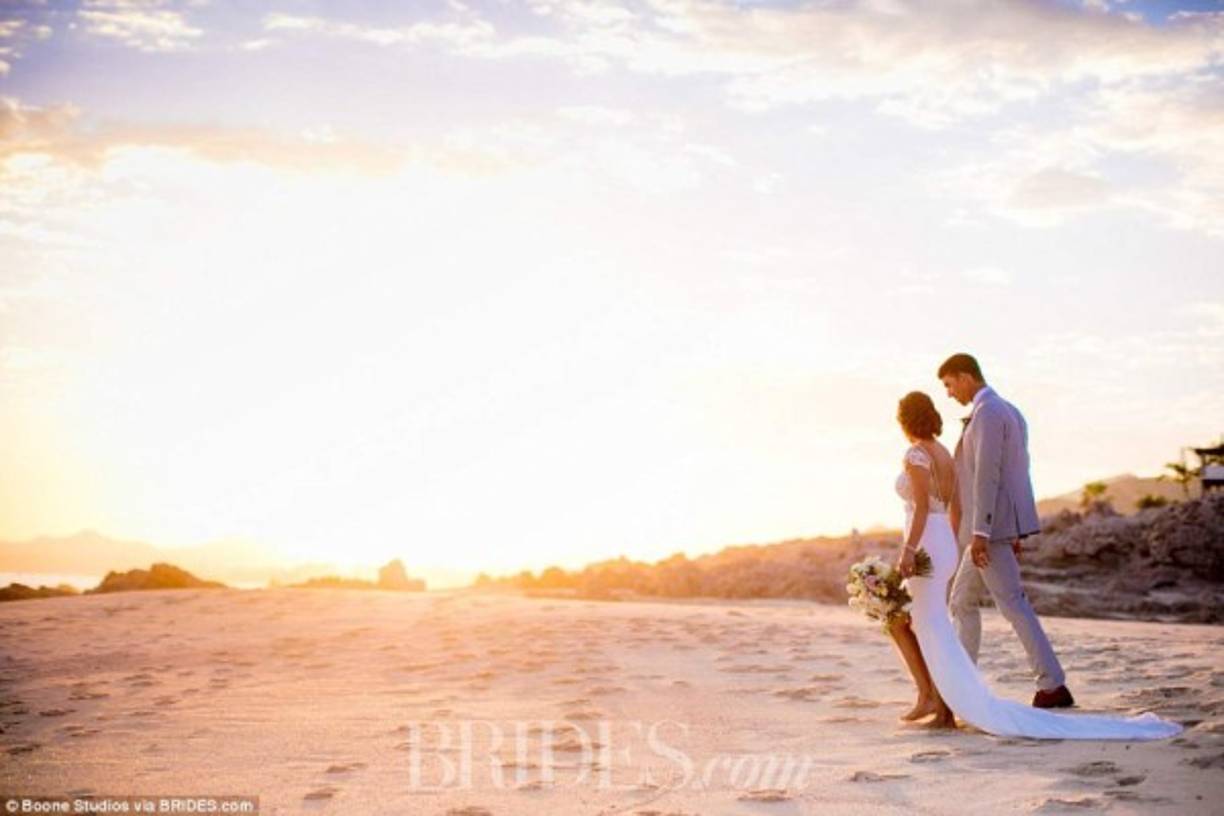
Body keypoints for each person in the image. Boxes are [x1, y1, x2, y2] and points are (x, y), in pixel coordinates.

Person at [893, 389, 1183, 739]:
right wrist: (955, 544)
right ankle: (943, 699)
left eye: (951, 383)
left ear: (905, 420)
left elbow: (953, 494)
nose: (951, 392)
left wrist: (924, 545)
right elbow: (964, 500)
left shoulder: (939, 442)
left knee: (962, 615)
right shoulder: (956, 445)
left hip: (945, 538)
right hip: (948, 541)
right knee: (947, 614)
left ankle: (955, 699)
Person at [937, 353, 1070, 708]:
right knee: (962, 600)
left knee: (1011, 603)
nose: (949, 394)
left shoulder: (989, 413)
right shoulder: (1009, 410)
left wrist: (983, 532)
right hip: (997, 528)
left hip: (988, 531)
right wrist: (1011, 530)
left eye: (949, 385)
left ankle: (1052, 685)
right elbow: (1017, 473)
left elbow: (988, 475)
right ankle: (964, 683)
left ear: (965, 377)